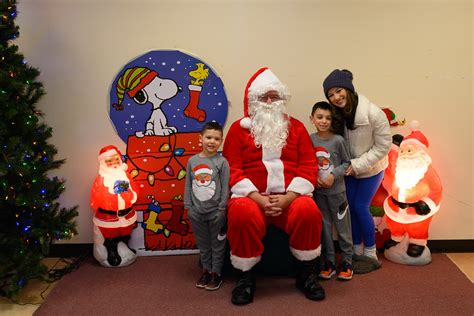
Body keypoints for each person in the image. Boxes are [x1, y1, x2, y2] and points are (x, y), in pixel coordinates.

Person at [223, 67, 325, 305]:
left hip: (290, 198)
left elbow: (308, 167)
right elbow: (232, 170)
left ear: (282, 99)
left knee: (308, 211)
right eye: (263, 97)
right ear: (253, 100)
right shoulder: (238, 130)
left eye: (274, 96)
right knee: (240, 213)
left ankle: (307, 274)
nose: (269, 101)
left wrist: (289, 197)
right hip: (251, 198)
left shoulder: (297, 127)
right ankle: (245, 278)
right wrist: (257, 198)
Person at [322, 69, 391, 273]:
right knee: (349, 209)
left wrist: (358, 165)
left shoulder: (373, 113)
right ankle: (356, 249)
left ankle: (370, 252)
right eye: (330, 94)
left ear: (349, 89)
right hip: (350, 170)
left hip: (371, 169)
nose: (335, 97)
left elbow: (383, 146)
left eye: (338, 91)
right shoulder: (337, 114)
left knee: (361, 206)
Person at [383, 121, 442, 263]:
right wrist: (393, 148)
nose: (404, 154)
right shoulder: (400, 166)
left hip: (416, 211)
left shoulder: (427, 171)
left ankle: (417, 243)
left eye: (409, 151)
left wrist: (426, 203)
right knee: (395, 225)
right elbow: (390, 167)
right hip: (396, 207)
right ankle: (396, 238)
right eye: (402, 151)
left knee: (417, 227)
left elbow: (436, 189)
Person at [309, 101, 353, 280]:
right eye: (320, 117)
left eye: (328, 118)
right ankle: (329, 263)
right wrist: (314, 179)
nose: (324, 121)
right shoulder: (310, 140)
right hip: (319, 194)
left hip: (338, 193)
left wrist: (333, 175)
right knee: (325, 229)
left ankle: (347, 262)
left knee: (343, 228)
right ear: (312, 119)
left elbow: (347, 163)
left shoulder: (338, 140)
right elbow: (306, 163)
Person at [184, 121, 230, 291]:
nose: (212, 141)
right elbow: (188, 185)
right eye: (208, 137)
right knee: (203, 245)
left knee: (217, 244)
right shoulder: (192, 161)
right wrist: (189, 207)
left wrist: (221, 208)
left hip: (216, 213)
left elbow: (226, 186)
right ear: (201, 138)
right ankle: (206, 270)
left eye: (216, 139)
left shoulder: (222, 162)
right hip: (196, 213)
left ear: (221, 141)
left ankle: (216, 273)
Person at [90, 145, 139, 267]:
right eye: (109, 161)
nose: (114, 163)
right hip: (109, 217)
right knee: (111, 237)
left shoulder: (125, 176)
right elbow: (95, 199)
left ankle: (125, 248)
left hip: (127, 214)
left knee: (125, 234)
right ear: (103, 163)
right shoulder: (101, 180)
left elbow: (136, 191)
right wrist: (109, 197)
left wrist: (130, 194)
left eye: (116, 159)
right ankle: (111, 252)